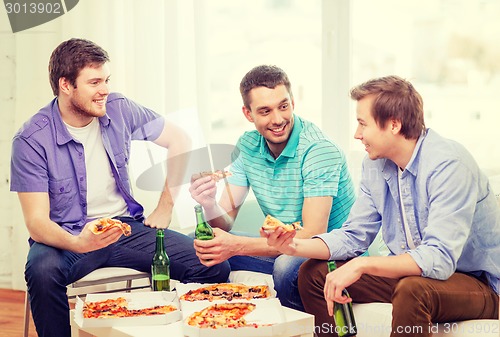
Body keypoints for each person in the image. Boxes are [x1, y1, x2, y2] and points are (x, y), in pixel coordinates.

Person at [10, 38, 230, 337]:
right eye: (95, 82)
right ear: (66, 85)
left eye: (106, 80)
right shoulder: (32, 139)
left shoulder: (119, 109)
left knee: (210, 263)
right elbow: (37, 223)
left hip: (124, 228)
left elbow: (180, 140)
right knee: (42, 271)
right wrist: (78, 244)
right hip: (67, 236)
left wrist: (165, 206)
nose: (104, 90)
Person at [264, 75, 500, 337]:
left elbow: (439, 258)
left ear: (394, 125)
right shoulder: (375, 165)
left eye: (362, 123)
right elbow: (354, 235)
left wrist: (362, 266)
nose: (357, 134)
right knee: (314, 273)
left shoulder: (449, 165)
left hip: (478, 284)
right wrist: (293, 246)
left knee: (413, 289)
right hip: (413, 276)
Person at [189, 65, 356, 311]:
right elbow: (222, 225)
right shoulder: (247, 145)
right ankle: (225, 322)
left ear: (293, 102)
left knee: (286, 267)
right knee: (199, 246)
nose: (278, 119)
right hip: (285, 246)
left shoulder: (319, 150)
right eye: (265, 111)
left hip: (330, 253)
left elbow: (312, 234)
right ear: (248, 113)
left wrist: (236, 246)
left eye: (283, 106)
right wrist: (209, 204)